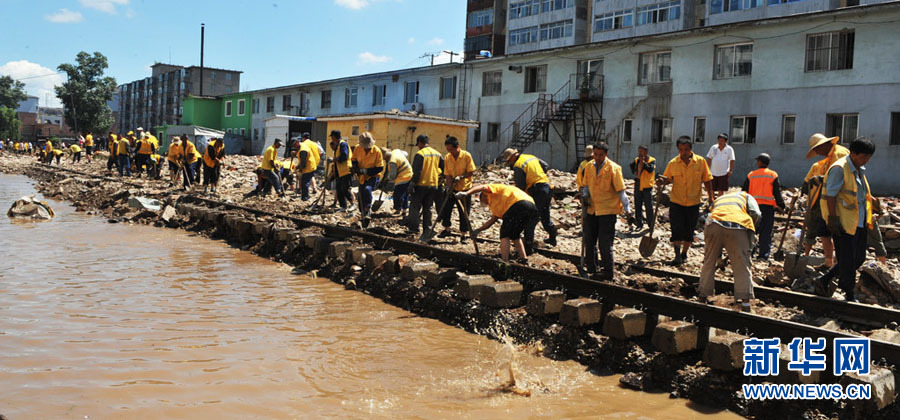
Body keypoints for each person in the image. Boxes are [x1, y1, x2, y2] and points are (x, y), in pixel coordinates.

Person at [814, 137, 877, 302]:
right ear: (854, 154)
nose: (867, 160)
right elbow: (830, 195)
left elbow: (860, 196)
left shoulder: (858, 169)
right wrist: (833, 219)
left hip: (859, 221)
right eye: (864, 156)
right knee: (848, 259)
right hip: (843, 222)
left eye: (869, 157)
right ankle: (849, 293)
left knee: (858, 258)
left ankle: (825, 279)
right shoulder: (840, 168)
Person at [698, 191, 761, 313]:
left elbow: (709, 214)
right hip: (738, 226)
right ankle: (745, 303)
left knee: (709, 260)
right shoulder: (746, 196)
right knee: (742, 264)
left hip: (713, 225)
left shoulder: (720, 198)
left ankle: (703, 295)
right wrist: (751, 227)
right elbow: (756, 213)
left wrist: (718, 257)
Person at [660, 136, 714, 266]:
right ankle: (677, 256)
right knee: (676, 229)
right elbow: (668, 179)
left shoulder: (700, 162)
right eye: (681, 149)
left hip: (693, 202)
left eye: (686, 149)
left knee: (689, 230)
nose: (684, 152)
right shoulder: (673, 163)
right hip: (676, 202)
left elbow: (707, 180)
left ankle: (684, 253)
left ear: (691, 149)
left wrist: (711, 197)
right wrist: (662, 181)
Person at [580, 142, 631, 279]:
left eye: (600, 155)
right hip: (592, 209)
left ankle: (608, 271)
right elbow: (585, 185)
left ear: (606, 154)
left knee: (605, 242)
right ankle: (592, 267)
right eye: (595, 154)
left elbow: (621, 191)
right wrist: (584, 196)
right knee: (589, 240)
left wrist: (627, 208)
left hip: (607, 211)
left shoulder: (614, 168)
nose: (597, 157)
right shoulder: (589, 167)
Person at [803, 133, 849, 268]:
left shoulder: (839, 154)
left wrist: (821, 179)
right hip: (827, 201)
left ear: (824, 145)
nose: (817, 153)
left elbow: (838, 177)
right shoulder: (827, 158)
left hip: (838, 201)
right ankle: (829, 262)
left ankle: (839, 265)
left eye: (817, 149)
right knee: (824, 231)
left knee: (838, 233)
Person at [457, 184, 537, 262]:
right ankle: (523, 258)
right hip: (531, 207)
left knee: (504, 235)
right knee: (515, 234)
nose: (487, 203)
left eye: (482, 200)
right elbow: (492, 221)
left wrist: (467, 193)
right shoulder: (495, 204)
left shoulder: (491, 190)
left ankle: (505, 261)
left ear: (483, 195)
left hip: (517, 204)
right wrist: (478, 230)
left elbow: (482, 187)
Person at [501, 147, 557, 250]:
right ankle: (553, 238)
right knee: (545, 215)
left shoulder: (518, 166)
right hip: (548, 186)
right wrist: (538, 176)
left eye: (509, 162)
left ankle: (528, 247)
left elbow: (520, 188)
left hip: (538, 190)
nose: (510, 164)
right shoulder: (530, 157)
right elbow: (546, 166)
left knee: (531, 218)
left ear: (513, 158)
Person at [741, 153, 785, 261]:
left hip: (753, 208)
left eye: (758, 161)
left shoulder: (751, 175)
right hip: (767, 208)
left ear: (760, 162)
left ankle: (750, 253)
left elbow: (744, 191)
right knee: (766, 232)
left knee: (752, 230)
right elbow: (776, 192)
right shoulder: (772, 175)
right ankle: (763, 256)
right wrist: (782, 205)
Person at [439, 136, 476, 238]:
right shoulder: (447, 157)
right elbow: (447, 174)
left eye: (451, 149)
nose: (450, 151)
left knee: (464, 212)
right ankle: (447, 229)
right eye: (448, 149)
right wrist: (449, 187)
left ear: (457, 147)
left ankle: (463, 234)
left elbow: (471, 172)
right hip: (452, 188)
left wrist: (461, 177)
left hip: (464, 189)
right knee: (446, 209)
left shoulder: (466, 156)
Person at [407, 134, 444, 234]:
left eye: (418, 144)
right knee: (428, 208)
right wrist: (441, 179)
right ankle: (427, 229)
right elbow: (445, 169)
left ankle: (413, 229)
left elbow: (417, 172)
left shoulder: (420, 154)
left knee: (415, 206)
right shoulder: (437, 153)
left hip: (421, 185)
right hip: (433, 185)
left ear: (420, 143)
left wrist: (412, 184)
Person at [351, 132, 384, 220]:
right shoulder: (358, 148)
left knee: (367, 189)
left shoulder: (377, 151)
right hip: (361, 177)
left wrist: (365, 171)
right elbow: (354, 159)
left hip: (373, 176)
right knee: (361, 195)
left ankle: (367, 209)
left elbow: (380, 168)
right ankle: (363, 214)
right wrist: (355, 167)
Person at [629, 145, 656, 231]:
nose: (640, 153)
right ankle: (639, 224)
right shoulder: (637, 160)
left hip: (647, 186)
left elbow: (650, 169)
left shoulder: (652, 160)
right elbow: (631, 166)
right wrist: (635, 170)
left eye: (641, 152)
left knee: (649, 206)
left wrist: (643, 163)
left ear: (646, 152)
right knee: (638, 205)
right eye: (639, 151)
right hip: (638, 185)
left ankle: (651, 225)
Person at [381, 148, 412, 216]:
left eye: (383, 158)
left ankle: (398, 210)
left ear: (385, 156)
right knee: (405, 194)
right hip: (409, 174)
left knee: (398, 195)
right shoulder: (396, 151)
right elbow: (406, 153)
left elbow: (392, 175)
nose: (384, 159)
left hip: (403, 177)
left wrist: (387, 179)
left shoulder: (392, 161)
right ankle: (404, 210)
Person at [329, 130, 353, 211]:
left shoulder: (343, 144)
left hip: (346, 170)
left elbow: (345, 156)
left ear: (334, 137)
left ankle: (352, 203)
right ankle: (343, 206)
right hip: (339, 171)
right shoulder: (338, 145)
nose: (331, 139)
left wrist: (335, 159)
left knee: (345, 189)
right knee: (339, 189)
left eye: (332, 137)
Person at [706, 134, 735, 199]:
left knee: (721, 189)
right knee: (711, 189)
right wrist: (707, 169)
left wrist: (730, 170)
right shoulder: (713, 148)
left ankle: (719, 203)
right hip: (713, 172)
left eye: (722, 140)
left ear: (725, 141)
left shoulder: (729, 149)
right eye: (719, 140)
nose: (720, 142)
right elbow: (709, 158)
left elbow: (732, 160)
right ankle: (712, 202)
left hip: (724, 173)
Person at [296, 133, 322, 201]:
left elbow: (303, 158)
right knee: (310, 177)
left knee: (303, 179)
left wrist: (300, 168)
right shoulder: (314, 143)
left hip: (307, 163)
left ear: (303, 138)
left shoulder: (303, 144)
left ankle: (302, 192)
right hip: (314, 162)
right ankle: (314, 188)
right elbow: (321, 152)